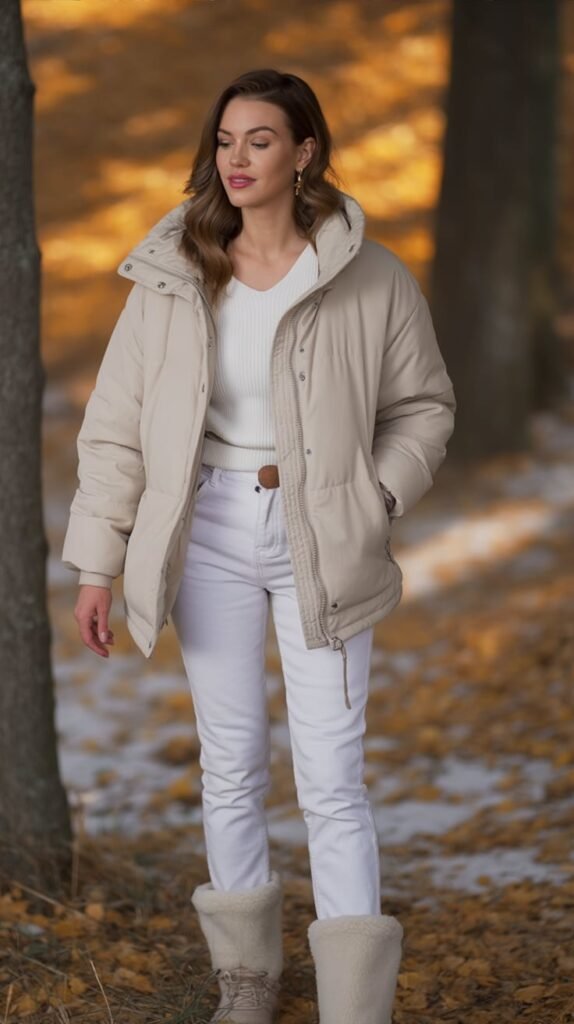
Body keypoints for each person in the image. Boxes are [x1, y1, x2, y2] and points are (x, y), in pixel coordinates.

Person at [62, 67, 455, 1024]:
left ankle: (356, 1001)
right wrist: (98, 561)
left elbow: (425, 408)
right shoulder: (171, 272)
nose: (237, 160)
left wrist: (375, 493)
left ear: (305, 153)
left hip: (328, 534)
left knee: (332, 774)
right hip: (209, 532)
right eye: (227, 141)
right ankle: (248, 976)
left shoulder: (368, 274)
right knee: (230, 760)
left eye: (261, 141)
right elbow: (116, 427)